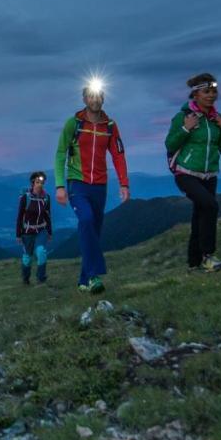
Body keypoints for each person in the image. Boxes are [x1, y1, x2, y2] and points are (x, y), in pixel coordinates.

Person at [54, 80, 129, 293]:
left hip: (100, 185)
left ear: (103, 97)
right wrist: (60, 186)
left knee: (93, 231)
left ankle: (83, 281)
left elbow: (118, 154)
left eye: (99, 95)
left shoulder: (110, 126)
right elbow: (60, 153)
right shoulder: (74, 123)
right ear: (85, 98)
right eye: (91, 96)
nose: (95, 100)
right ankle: (95, 276)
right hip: (77, 183)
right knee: (86, 220)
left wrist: (124, 183)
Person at [165, 72, 221, 271]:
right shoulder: (183, 117)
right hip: (186, 173)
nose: (211, 95)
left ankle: (194, 264)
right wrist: (185, 129)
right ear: (195, 95)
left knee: (200, 215)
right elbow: (170, 144)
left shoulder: (216, 119)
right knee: (210, 206)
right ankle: (208, 256)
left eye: (214, 91)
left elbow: (219, 147)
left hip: (209, 175)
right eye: (206, 92)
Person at [15, 171, 53, 284]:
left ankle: (41, 279)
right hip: (27, 232)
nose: (40, 184)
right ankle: (25, 279)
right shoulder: (25, 198)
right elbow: (19, 217)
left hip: (41, 230)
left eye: (42, 182)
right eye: (38, 182)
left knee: (41, 252)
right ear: (33, 183)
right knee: (27, 257)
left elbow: (47, 215)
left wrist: (50, 232)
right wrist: (18, 234)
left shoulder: (46, 198)